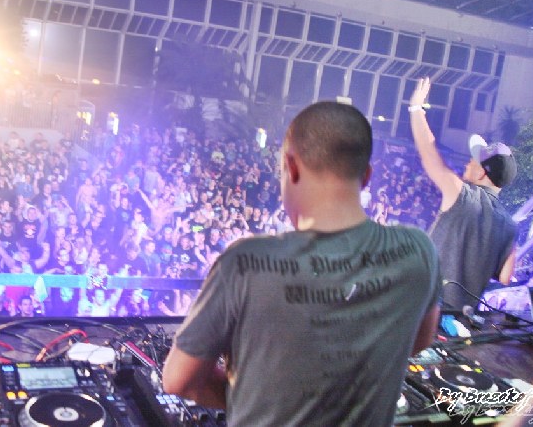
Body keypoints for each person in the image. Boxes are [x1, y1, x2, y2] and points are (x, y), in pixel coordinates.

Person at [163, 102, 441, 426]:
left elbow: (180, 380)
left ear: (291, 167)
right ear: (366, 176)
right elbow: (419, 340)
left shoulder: (244, 263)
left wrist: (258, 398)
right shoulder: (419, 251)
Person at [408, 77, 517, 310]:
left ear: (482, 173)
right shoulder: (510, 225)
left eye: (473, 160)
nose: (468, 162)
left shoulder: (462, 195)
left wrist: (416, 108)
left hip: (422, 310)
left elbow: (429, 153)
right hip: (460, 322)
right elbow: (506, 278)